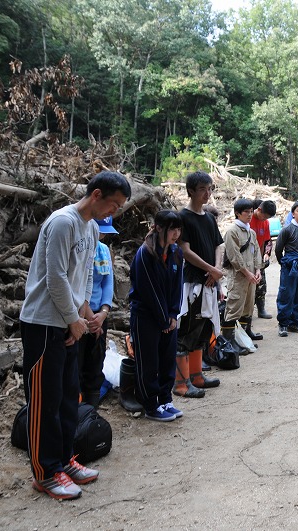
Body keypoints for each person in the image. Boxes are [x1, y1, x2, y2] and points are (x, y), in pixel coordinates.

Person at [20, 170, 130, 500]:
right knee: (44, 401)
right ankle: (45, 472)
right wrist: (73, 319)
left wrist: (82, 313)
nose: (114, 212)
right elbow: (54, 278)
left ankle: (66, 459)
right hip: (43, 323)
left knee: (70, 396)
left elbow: (82, 277)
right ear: (96, 195)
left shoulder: (91, 227)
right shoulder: (62, 222)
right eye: (113, 204)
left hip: (69, 323)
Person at [129, 210, 184, 422]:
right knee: (149, 362)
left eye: (179, 229)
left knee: (167, 359)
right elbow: (149, 291)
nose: (176, 234)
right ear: (159, 227)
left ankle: (165, 399)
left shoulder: (176, 252)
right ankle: (151, 404)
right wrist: (163, 319)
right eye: (172, 229)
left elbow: (178, 287)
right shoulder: (145, 254)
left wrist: (172, 315)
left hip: (167, 319)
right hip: (146, 317)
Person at [176, 171, 221, 398]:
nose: (208, 193)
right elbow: (185, 250)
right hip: (192, 283)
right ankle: (181, 383)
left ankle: (196, 376)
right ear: (191, 190)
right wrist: (210, 269)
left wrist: (217, 269)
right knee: (186, 331)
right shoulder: (182, 217)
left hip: (210, 283)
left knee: (203, 330)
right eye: (203, 189)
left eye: (210, 188)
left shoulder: (210, 218)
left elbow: (218, 246)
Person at [76, 215, 117, 407]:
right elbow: (79, 284)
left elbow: (108, 283)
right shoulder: (80, 249)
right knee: (76, 365)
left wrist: (104, 312)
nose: (101, 236)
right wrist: (91, 318)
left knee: (95, 364)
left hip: (99, 316)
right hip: (78, 317)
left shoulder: (103, 250)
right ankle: (75, 412)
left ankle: (90, 412)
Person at [222, 198, 263, 344]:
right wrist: (247, 273)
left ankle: (246, 334)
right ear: (237, 213)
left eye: (251, 211)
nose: (250, 214)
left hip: (252, 275)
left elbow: (256, 251)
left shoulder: (251, 232)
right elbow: (234, 256)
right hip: (238, 276)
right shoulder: (232, 231)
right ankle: (229, 341)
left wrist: (258, 270)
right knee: (234, 306)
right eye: (246, 212)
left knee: (248, 305)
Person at [274, 201, 298, 337]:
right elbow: (278, 248)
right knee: (286, 293)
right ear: (293, 213)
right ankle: (283, 323)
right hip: (290, 266)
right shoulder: (286, 230)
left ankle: (294, 321)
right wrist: (284, 263)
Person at [250, 199, 277, 319]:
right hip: (245, 258)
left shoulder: (265, 223)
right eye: (264, 216)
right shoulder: (248, 219)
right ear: (259, 209)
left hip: (257, 258)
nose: (264, 219)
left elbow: (263, 242)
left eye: (267, 218)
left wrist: (260, 261)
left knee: (261, 285)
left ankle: (261, 309)